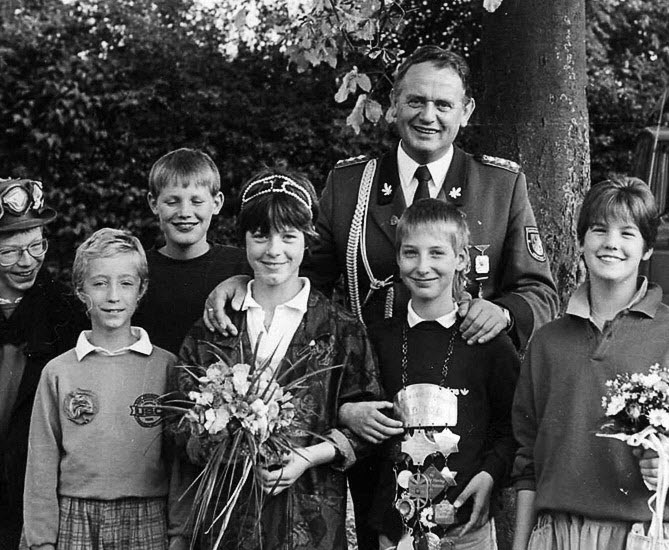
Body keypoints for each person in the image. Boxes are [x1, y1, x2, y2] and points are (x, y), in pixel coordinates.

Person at [204, 44, 560, 548]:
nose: (428, 115)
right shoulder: (351, 183)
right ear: (393, 105)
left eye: (443, 104)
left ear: (466, 111)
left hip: (465, 411)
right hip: (372, 408)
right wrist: (243, 281)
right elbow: (301, 273)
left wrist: (502, 313)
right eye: (416, 101)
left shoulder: (499, 185)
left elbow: (540, 292)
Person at [511, 177, 669, 550]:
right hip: (562, 534)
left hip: (652, 534)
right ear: (581, 240)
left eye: (627, 233)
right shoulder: (547, 344)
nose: (611, 243)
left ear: (647, 248)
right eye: (599, 229)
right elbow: (527, 461)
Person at [169, 170, 382, 550]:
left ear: (308, 239)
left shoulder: (340, 328)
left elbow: (366, 427)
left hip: (311, 523)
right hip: (227, 524)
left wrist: (308, 456)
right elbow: (176, 423)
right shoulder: (214, 328)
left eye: (288, 236)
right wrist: (223, 437)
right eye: (260, 235)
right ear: (243, 239)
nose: (273, 250)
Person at [365, 199, 518, 549]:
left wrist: (491, 474)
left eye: (437, 253)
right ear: (397, 258)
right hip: (395, 530)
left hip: (465, 529)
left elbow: (515, 426)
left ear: (461, 259)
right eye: (411, 253)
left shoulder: (488, 343)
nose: (423, 267)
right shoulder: (377, 339)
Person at [23, 228, 176, 550]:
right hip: (75, 517)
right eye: (100, 283)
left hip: (148, 516)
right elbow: (41, 461)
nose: (113, 296)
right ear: (81, 290)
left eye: (126, 283)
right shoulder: (58, 371)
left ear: (142, 289)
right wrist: (41, 540)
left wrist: (181, 532)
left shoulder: (166, 367)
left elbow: (180, 461)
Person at [0, 177, 84, 549]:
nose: (27, 261)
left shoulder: (67, 312)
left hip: (36, 501)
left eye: (36, 246)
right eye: (9, 252)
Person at [133, 148, 250, 354]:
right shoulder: (137, 269)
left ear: (216, 203)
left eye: (197, 201)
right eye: (172, 202)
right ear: (153, 203)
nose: (185, 212)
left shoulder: (241, 266)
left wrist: (245, 280)